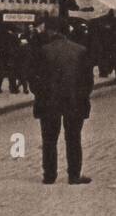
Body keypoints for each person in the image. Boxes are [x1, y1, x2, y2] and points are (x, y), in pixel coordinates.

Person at [28, 15, 94, 185]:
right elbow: (88, 81)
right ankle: (73, 175)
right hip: (74, 102)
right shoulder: (80, 50)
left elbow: (34, 78)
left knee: (49, 140)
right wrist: (82, 97)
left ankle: (49, 175)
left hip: (49, 102)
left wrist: (40, 95)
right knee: (73, 138)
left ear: (51, 31)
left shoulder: (43, 51)